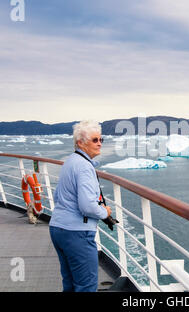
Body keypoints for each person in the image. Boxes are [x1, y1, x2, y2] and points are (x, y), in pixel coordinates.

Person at [49, 120, 112, 292]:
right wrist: (104, 212)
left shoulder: (71, 161)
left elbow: (57, 196)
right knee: (86, 286)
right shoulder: (84, 167)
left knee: (70, 284)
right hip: (76, 234)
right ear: (80, 143)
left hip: (58, 228)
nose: (99, 143)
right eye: (94, 140)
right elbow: (87, 207)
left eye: (101, 139)